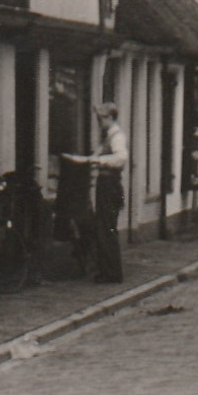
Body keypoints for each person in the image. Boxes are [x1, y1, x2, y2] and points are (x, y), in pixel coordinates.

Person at [62, 103, 128, 283]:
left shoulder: (116, 136)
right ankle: (108, 271)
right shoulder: (108, 136)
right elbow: (94, 157)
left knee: (106, 228)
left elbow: (121, 158)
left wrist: (99, 160)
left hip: (109, 184)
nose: (99, 122)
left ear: (110, 117)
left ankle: (111, 274)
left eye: (102, 118)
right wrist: (80, 159)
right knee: (105, 227)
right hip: (106, 183)